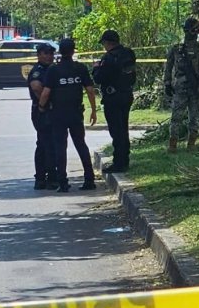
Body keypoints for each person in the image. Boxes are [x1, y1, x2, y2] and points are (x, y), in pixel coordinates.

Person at [39, 37, 98, 192]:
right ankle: (89, 179)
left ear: (60, 51)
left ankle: (63, 183)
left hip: (58, 114)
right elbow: (90, 90)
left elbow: (45, 93)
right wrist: (93, 110)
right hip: (75, 113)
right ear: (73, 51)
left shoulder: (53, 70)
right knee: (81, 145)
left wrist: (40, 107)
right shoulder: (80, 68)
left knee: (60, 147)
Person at [164, 17, 199, 152]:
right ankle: (172, 145)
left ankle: (191, 144)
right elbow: (168, 67)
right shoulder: (177, 49)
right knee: (176, 117)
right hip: (180, 89)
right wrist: (167, 84)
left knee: (194, 117)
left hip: (197, 88)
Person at [91, 29, 137, 173]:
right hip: (126, 94)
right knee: (123, 128)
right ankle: (125, 159)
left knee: (116, 131)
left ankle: (119, 162)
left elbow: (98, 78)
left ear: (107, 43)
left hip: (113, 98)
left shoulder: (108, 58)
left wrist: (96, 68)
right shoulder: (129, 53)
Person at [27, 43, 56, 190]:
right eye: (45, 53)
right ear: (38, 55)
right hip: (42, 111)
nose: (49, 56)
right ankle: (46, 177)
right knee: (46, 144)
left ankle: (45, 177)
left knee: (47, 143)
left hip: (50, 110)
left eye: (50, 53)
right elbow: (37, 88)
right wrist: (43, 104)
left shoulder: (51, 69)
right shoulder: (38, 70)